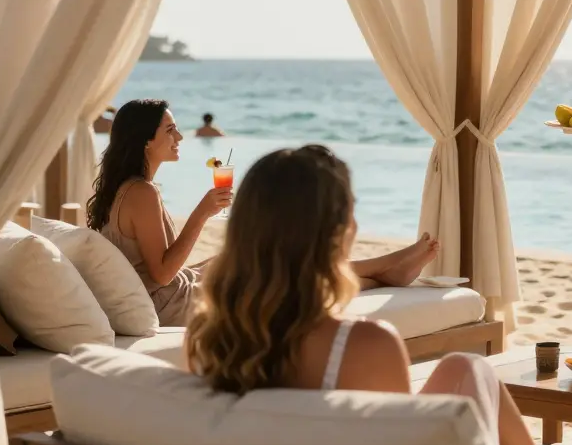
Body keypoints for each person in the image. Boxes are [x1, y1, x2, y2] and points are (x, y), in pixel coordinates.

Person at [184, 145, 554, 445]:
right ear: (337, 233)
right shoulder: (363, 344)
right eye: (351, 211)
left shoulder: (206, 334)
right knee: (466, 370)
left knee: (465, 366)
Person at [87, 99, 442, 327]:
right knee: (278, 274)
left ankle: (381, 273)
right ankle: (384, 269)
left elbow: (153, 270)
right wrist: (201, 213)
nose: (179, 135)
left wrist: (201, 262)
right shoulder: (142, 192)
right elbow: (163, 274)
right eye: (169, 129)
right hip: (169, 305)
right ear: (146, 140)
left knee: (237, 259)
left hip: (162, 294)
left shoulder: (127, 189)